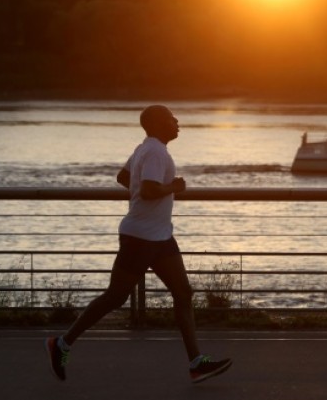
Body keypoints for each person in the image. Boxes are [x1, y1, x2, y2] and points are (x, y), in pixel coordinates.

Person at [45, 105, 232, 384]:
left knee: (183, 293)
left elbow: (124, 178)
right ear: (159, 124)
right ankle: (63, 343)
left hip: (159, 235)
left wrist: (142, 192)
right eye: (172, 118)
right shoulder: (155, 151)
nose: (177, 122)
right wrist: (174, 187)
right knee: (115, 296)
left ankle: (196, 363)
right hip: (141, 237)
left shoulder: (144, 148)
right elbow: (148, 189)